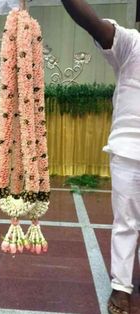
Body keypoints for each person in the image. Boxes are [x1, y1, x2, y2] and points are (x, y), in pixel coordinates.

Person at [60, 1, 140, 314]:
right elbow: (91, 21)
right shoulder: (131, 43)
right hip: (129, 152)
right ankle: (121, 287)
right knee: (126, 222)